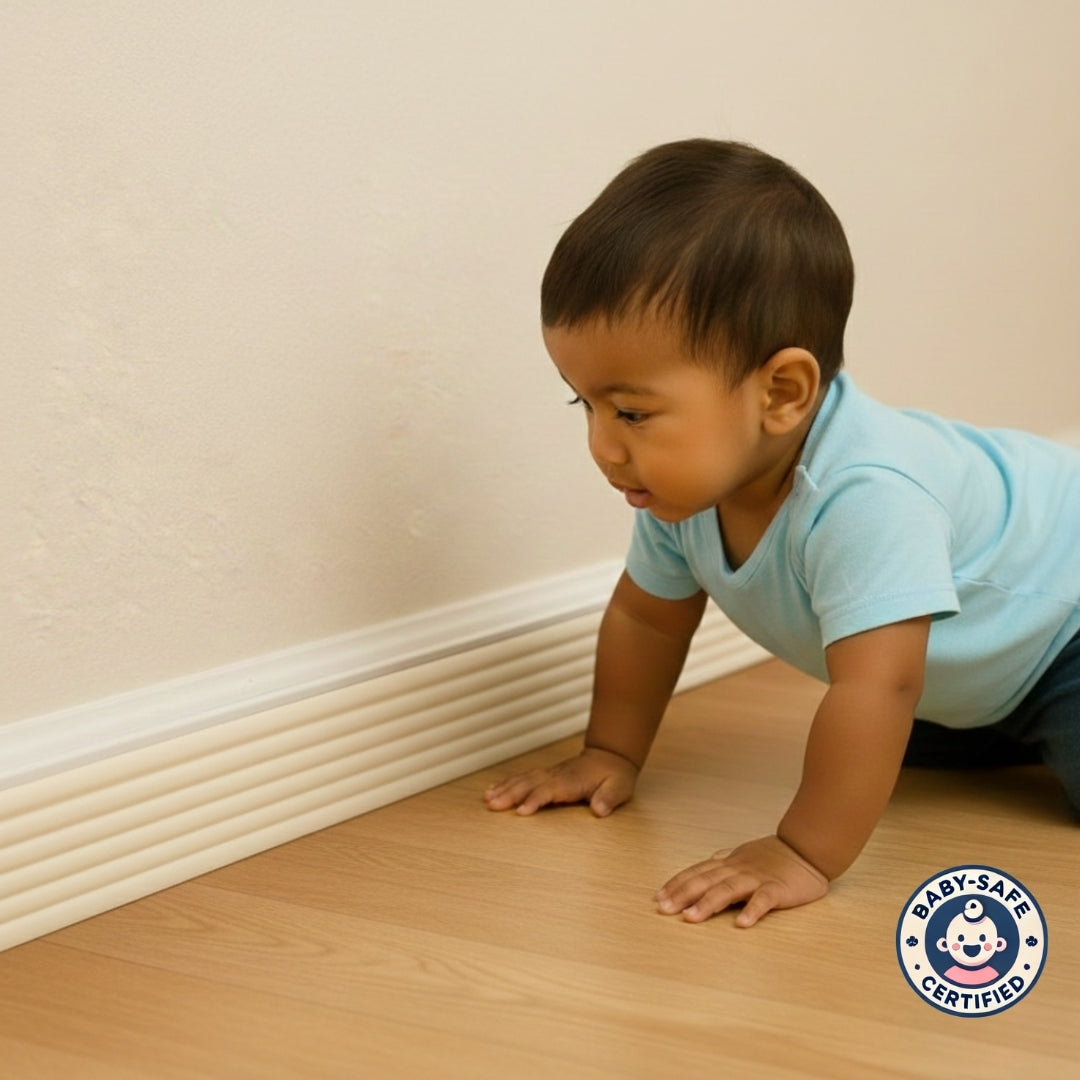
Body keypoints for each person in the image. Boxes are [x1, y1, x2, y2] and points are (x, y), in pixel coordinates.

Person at [484, 139, 1080, 927]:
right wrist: (610, 752)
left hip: (1066, 621)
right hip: (988, 676)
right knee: (888, 743)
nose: (602, 445)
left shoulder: (866, 495)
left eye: (630, 411)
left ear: (781, 392)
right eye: (583, 404)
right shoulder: (683, 495)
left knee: (885, 710)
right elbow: (647, 618)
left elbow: (880, 685)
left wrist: (803, 851)